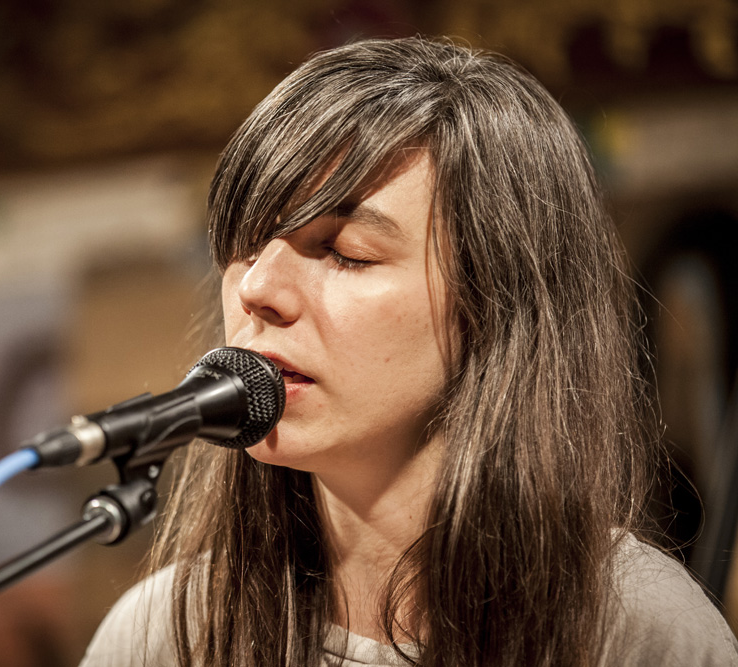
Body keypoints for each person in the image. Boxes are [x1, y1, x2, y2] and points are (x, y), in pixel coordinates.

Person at [79, 36, 738, 666]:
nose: (257, 289)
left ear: (492, 307)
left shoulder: (636, 629)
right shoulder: (164, 633)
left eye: (346, 252)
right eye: (246, 245)